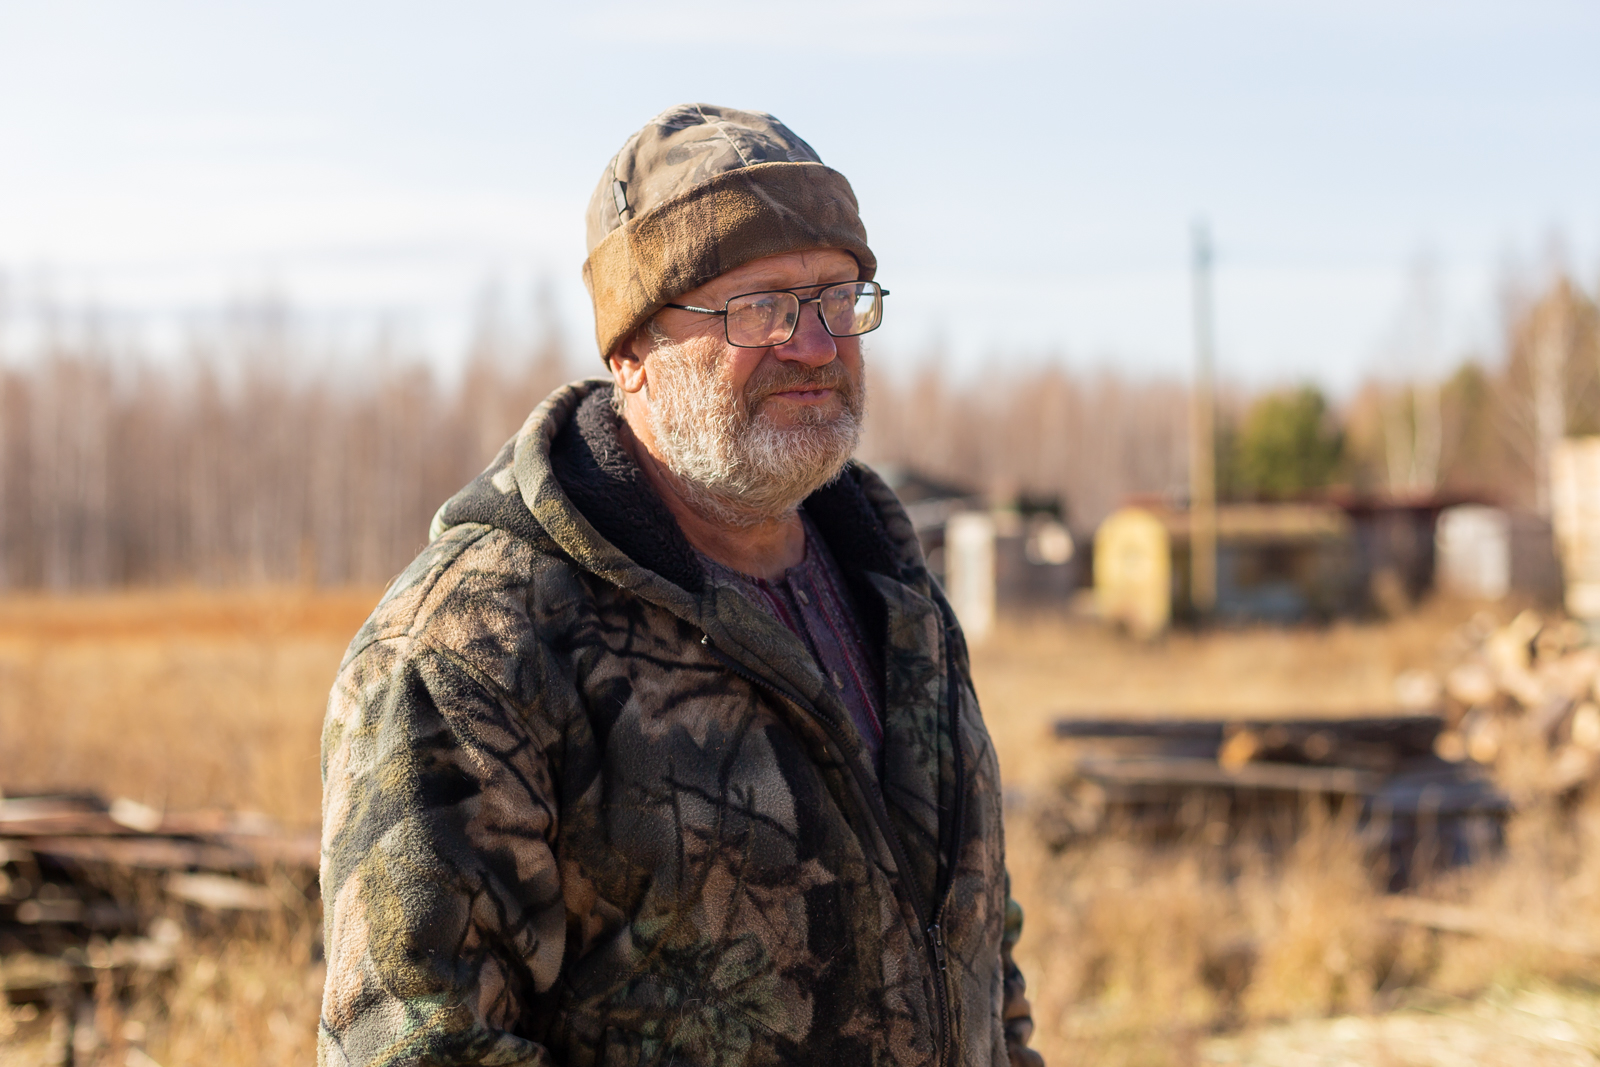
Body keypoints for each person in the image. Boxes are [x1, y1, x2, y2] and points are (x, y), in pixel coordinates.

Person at [318, 103, 1042, 1067]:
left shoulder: (895, 594)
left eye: (838, 297)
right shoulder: (476, 645)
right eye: (761, 307)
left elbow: (978, 944)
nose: (816, 344)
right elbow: (417, 1047)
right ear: (632, 355)